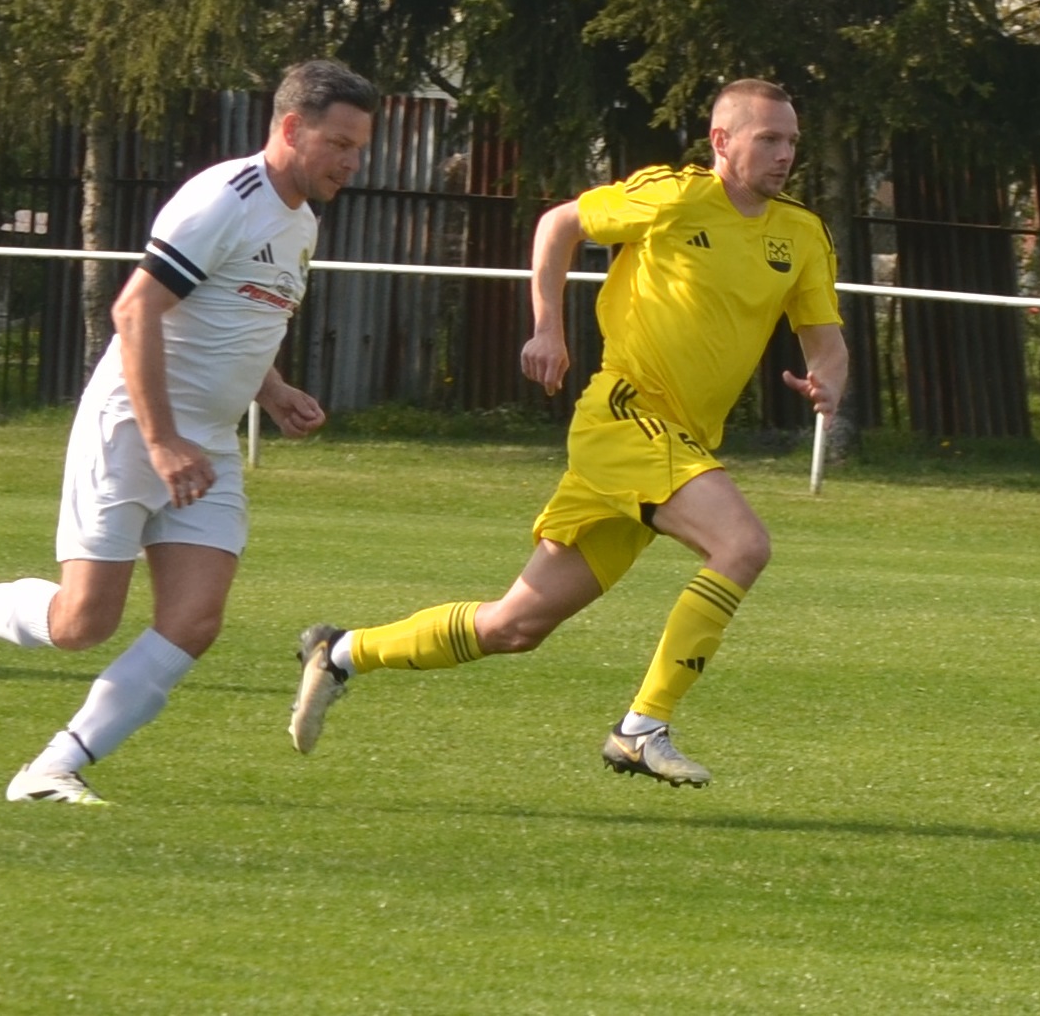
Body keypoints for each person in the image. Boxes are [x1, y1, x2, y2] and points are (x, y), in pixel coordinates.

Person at [289, 78, 848, 787]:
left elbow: (824, 340)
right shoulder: (672, 196)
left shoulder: (800, 232)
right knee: (743, 545)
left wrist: (828, 381)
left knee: (514, 627)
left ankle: (341, 652)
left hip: (676, 444)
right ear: (721, 141)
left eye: (791, 140)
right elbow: (559, 224)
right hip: (625, 418)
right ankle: (641, 728)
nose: (785, 153)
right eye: (768, 138)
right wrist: (548, 328)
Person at [0, 59, 378, 804]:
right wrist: (161, 441)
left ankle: (51, 770)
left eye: (359, 149)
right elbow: (134, 311)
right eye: (339, 144)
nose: (351, 163)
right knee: (81, 623)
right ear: (291, 128)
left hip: (206, 446)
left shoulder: (302, 221)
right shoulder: (224, 199)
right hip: (132, 430)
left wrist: (275, 391)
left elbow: (234, 323)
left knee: (194, 620)